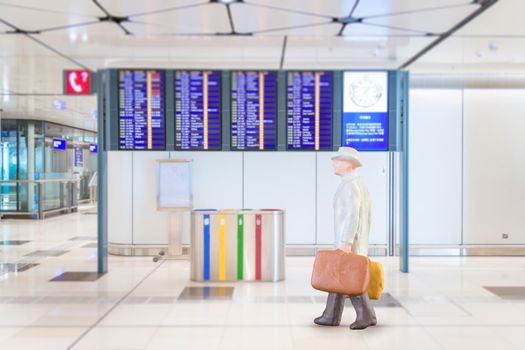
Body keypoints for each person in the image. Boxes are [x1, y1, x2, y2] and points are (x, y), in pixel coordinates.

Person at [314, 146, 377, 330]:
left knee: (351, 278)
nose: (334, 163)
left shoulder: (351, 186)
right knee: (339, 275)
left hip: (349, 242)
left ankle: (366, 315)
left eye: (339, 160)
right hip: (351, 241)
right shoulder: (356, 184)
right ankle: (331, 315)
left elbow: (352, 215)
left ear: (349, 164)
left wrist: (347, 242)